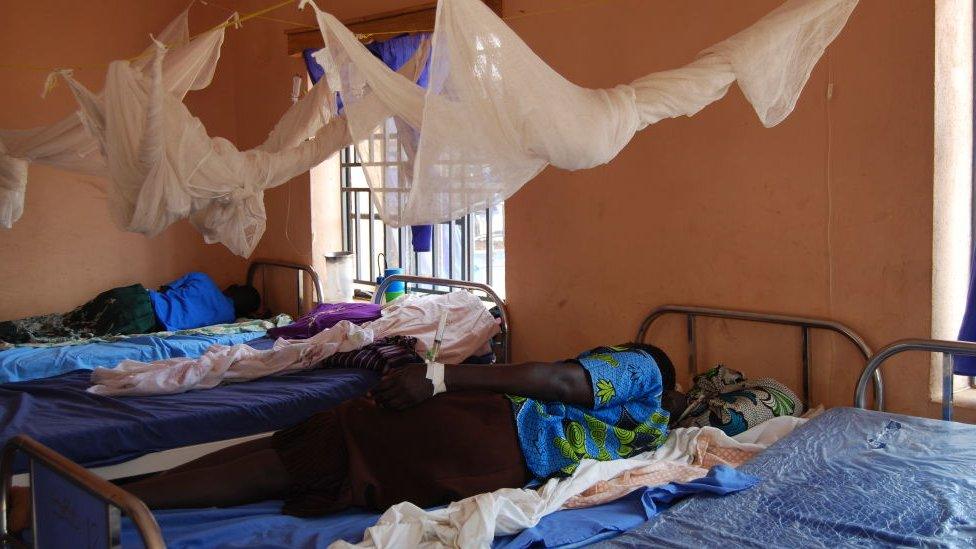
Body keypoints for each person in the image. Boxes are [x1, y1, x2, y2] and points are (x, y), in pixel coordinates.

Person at [9, 343, 683, 528]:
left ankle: (104, 498)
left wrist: (442, 377)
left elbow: (558, 382)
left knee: (307, 453)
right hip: (491, 457)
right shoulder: (658, 432)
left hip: (489, 430)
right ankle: (111, 492)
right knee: (302, 445)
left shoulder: (644, 368)